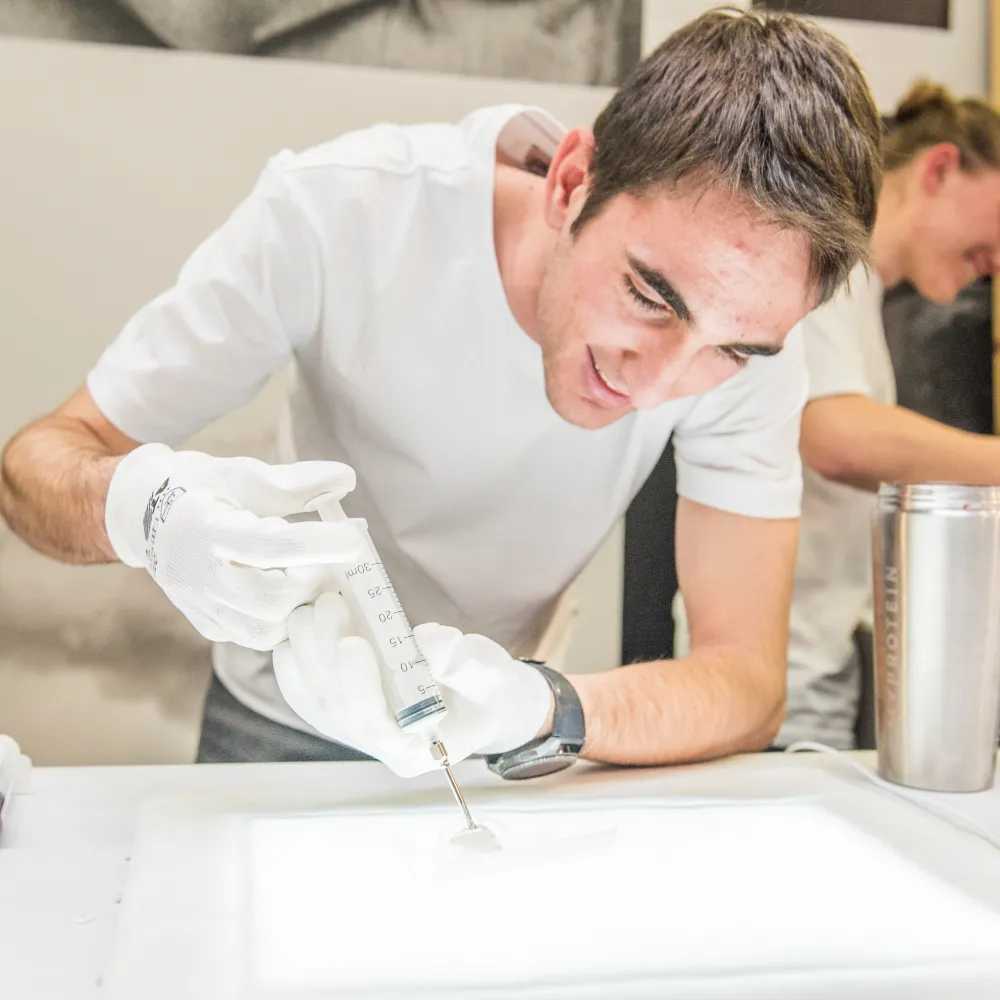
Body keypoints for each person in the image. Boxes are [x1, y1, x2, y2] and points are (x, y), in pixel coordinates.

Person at [0, 9, 881, 776]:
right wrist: (147, 517)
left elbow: (748, 679)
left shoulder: (757, 342)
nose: (660, 380)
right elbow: (36, 465)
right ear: (572, 183)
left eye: (727, 350)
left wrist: (542, 708)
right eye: (649, 297)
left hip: (496, 732)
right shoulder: (342, 213)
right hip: (280, 719)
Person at [675, 81, 1000, 751]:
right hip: (760, 686)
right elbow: (836, 438)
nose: (997, 262)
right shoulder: (823, 264)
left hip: (810, 676)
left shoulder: (862, 300)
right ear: (939, 169)